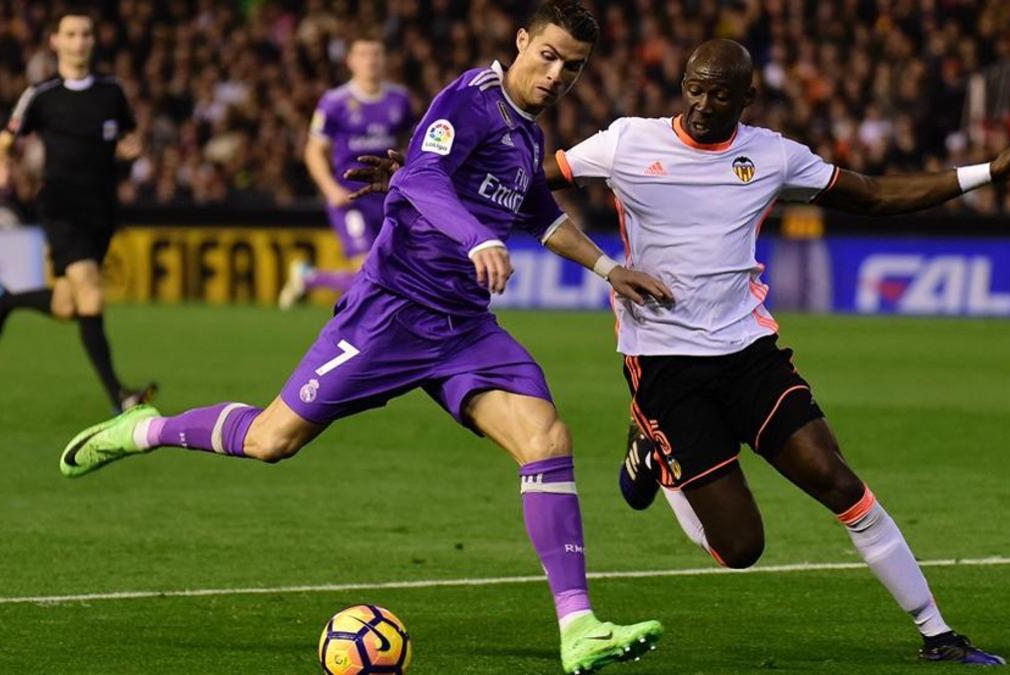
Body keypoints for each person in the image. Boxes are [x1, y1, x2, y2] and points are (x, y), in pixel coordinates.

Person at [351, 37, 1010, 669]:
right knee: (740, 549)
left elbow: (874, 195)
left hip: (750, 350)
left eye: (718, 92)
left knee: (837, 480)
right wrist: (421, 174)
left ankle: (938, 633)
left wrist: (989, 173)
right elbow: (526, 183)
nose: (700, 101)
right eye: (692, 85)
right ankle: (653, 455)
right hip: (663, 366)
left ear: (745, 98)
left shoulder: (772, 154)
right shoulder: (629, 141)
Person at [58, 3, 672, 673]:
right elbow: (420, 176)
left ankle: (578, 628)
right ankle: (145, 427)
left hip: (464, 329)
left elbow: (544, 217)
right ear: (521, 42)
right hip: (390, 313)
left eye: (573, 68)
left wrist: (612, 269)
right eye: (549, 55)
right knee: (271, 440)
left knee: (547, 438)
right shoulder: (470, 100)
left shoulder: (527, 136)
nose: (557, 75)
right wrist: (477, 236)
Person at [0, 9, 155, 413]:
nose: (79, 41)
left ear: (93, 42)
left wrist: (132, 148)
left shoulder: (112, 92)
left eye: (86, 34)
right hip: (60, 208)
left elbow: (130, 136)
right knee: (91, 294)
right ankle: (120, 396)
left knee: (67, 306)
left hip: (102, 210)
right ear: (55, 43)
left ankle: (6, 300)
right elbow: (1, 142)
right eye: (71, 34)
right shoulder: (41, 96)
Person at [278, 32, 414, 310]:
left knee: (384, 273)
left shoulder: (400, 100)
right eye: (363, 54)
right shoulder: (335, 102)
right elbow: (313, 150)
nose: (371, 61)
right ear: (350, 61)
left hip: (388, 197)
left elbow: (409, 147)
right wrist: (330, 190)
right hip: (350, 197)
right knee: (367, 269)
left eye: (376, 54)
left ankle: (309, 278)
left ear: (385, 59)